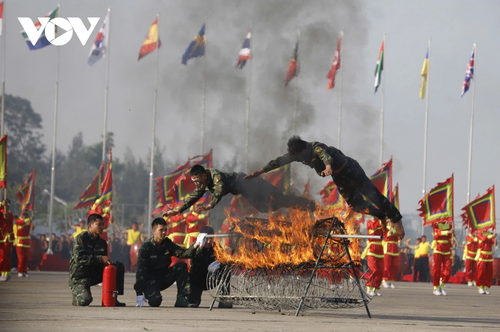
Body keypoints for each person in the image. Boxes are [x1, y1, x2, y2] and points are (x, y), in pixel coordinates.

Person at [245, 136, 404, 239]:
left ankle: (396, 218)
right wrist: (260, 171)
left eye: (300, 156)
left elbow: (325, 155)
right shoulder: (296, 154)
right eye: (296, 158)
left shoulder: (316, 147)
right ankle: (380, 214)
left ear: (304, 149)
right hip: (339, 177)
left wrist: (328, 166)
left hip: (350, 169)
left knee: (373, 195)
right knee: (355, 204)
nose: (299, 159)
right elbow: (278, 162)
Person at [163, 165, 315, 218]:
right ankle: (302, 206)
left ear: (204, 175)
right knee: (266, 207)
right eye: (195, 182)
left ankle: (308, 205)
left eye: (198, 181)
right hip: (244, 189)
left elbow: (220, 188)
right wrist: (176, 210)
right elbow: (193, 197)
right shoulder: (203, 183)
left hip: (248, 182)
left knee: (278, 198)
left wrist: (210, 205)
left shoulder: (215, 175)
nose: (198, 185)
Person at [134, 218, 205, 308]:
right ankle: (150, 294)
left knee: (181, 266)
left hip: (164, 278)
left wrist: (196, 244)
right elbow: (140, 271)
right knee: (156, 302)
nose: (164, 233)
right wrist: (139, 293)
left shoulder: (167, 243)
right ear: (154, 231)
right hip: (150, 281)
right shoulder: (146, 247)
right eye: (161, 230)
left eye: (165, 230)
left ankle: (181, 298)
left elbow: (183, 254)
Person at [69, 213, 126, 307]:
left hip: (93, 274)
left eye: (102, 225)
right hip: (80, 277)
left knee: (117, 266)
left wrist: (108, 263)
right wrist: (99, 258)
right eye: (98, 224)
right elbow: (79, 259)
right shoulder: (81, 238)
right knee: (85, 301)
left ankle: (113, 297)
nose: (101, 227)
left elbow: (103, 262)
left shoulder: (102, 242)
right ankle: (77, 296)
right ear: (90, 226)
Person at [187, 225, 232, 308]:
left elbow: (225, 259)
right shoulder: (195, 246)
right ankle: (193, 298)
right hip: (197, 280)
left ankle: (224, 299)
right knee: (193, 303)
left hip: (212, 279)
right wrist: (200, 247)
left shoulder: (216, 247)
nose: (208, 242)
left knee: (227, 269)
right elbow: (189, 255)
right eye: (206, 239)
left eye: (210, 239)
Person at [361, 217, 384, 296]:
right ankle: (369, 287)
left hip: (380, 250)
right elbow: (374, 225)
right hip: (372, 249)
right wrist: (384, 221)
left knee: (380, 270)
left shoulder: (382, 223)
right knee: (374, 270)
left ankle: (375, 288)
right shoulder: (370, 222)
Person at [430, 222, 454, 296]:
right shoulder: (435, 224)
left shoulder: (450, 225)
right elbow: (437, 233)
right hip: (438, 248)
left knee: (448, 270)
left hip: (446, 249)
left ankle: (442, 285)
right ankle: (436, 287)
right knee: (437, 269)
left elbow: (450, 236)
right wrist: (448, 232)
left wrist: (452, 237)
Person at [475, 230, 497, 295]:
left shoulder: (490, 234)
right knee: (481, 271)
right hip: (482, 255)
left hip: (489, 255)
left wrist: (495, 242)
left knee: (489, 272)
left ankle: (486, 287)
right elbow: (483, 238)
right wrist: (491, 236)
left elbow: (493, 242)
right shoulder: (479, 233)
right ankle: (480, 287)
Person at [0, 199, 15, 282]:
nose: (6, 207)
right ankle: (4, 273)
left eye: (7, 205)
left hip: (6, 238)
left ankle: (6, 273)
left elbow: (7, 217)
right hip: (3, 236)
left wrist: (5, 215)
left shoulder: (9, 214)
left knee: (5, 256)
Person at [15, 211, 33, 277]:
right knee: (21, 258)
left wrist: (32, 225)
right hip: (20, 242)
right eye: (24, 214)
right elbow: (21, 222)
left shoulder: (28, 220)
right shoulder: (18, 220)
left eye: (26, 214)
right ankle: (20, 271)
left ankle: (25, 271)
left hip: (26, 242)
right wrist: (29, 219)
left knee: (26, 258)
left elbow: (31, 226)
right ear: (21, 215)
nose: (25, 216)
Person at [382, 223, 399, 289]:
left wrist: (399, 240)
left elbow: (398, 238)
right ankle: (385, 280)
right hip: (388, 248)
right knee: (387, 266)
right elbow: (386, 235)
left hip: (395, 248)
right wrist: (390, 231)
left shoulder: (396, 229)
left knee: (394, 266)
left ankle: (392, 281)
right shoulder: (386, 228)